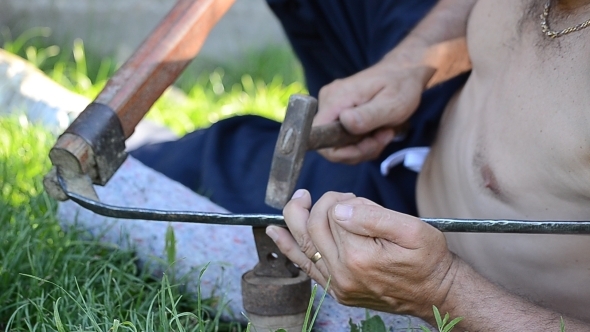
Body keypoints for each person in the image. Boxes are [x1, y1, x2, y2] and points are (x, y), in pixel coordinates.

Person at [266, 0, 590, 330]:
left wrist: (442, 290)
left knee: (220, 154)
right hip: (423, 138)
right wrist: (407, 65)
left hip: (442, 280)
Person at [129, 0, 470, 216]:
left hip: (422, 192)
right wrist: (413, 62)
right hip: (452, 82)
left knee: (217, 159)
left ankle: (142, 154)